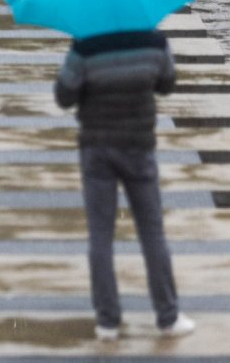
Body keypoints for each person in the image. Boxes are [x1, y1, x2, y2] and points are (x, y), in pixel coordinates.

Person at [54, 29, 196, 342]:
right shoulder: (154, 42)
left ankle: (107, 322)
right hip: (139, 149)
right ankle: (168, 317)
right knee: (152, 232)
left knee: (101, 235)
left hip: (97, 149)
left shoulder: (84, 45)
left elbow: (63, 97)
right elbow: (167, 83)